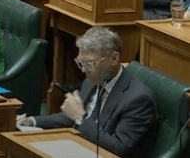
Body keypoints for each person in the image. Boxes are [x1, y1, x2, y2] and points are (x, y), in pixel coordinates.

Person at [19, 27, 157, 158]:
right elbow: (72, 117)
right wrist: (32, 121)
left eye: (89, 64)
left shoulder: (137, 99)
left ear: (114, 59)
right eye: (80, 63)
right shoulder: (92, 80)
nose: (83, 70)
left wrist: (80, 118)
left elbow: (119, 148)